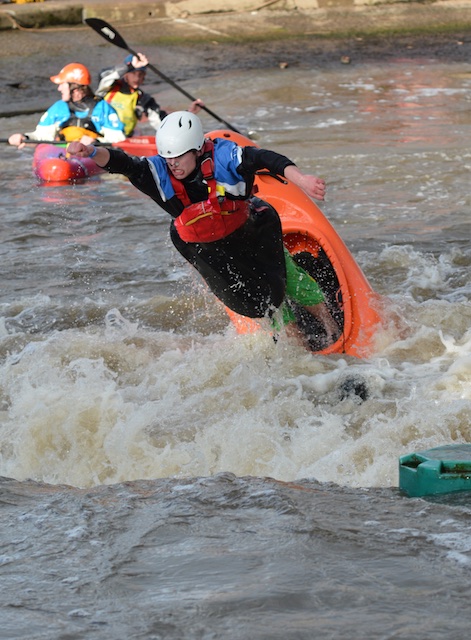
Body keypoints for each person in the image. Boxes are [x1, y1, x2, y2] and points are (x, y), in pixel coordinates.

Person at [67, 111, 340, 351]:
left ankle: (331, 326)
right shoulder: (158, 172)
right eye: (167, 156)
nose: (172, 163)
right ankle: (302, 355)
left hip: (250, 230)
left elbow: (265, 158)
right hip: (212, 248)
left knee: (290, 279)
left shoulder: (225, 157)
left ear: (198, 150)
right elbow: (122, 162)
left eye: (178, 156)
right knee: (271, 306)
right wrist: (91, 152)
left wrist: (301, 179)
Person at [8, 63, 126, 149]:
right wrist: (25, 138)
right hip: (62, 154)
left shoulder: (102, 108)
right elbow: (41, 136)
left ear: (75, 87)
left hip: (91, 153)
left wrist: (96, 141)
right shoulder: (58, 108)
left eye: (62, 84)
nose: (59, 88)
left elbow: (118, 140)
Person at [96, 53, 204, 137]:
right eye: (134, 73)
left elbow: (162, 123)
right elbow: (103, 75)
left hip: (123, 140)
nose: (137, 78)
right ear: (126, 74)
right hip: (99, 138)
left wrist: (188, 113)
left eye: (141, 74)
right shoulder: (109, 86)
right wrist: (128, 66)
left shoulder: (142, 99)